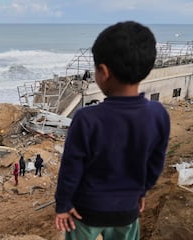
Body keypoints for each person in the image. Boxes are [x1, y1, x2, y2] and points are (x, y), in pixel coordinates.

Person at [54, 21, 170, 240]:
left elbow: (71, 168)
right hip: (127, 210)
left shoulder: (86, 119)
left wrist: (63, 204)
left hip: (85, 210)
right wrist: (141, 191)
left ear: (104, 72)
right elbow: (155, 165)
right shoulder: (158, 114)